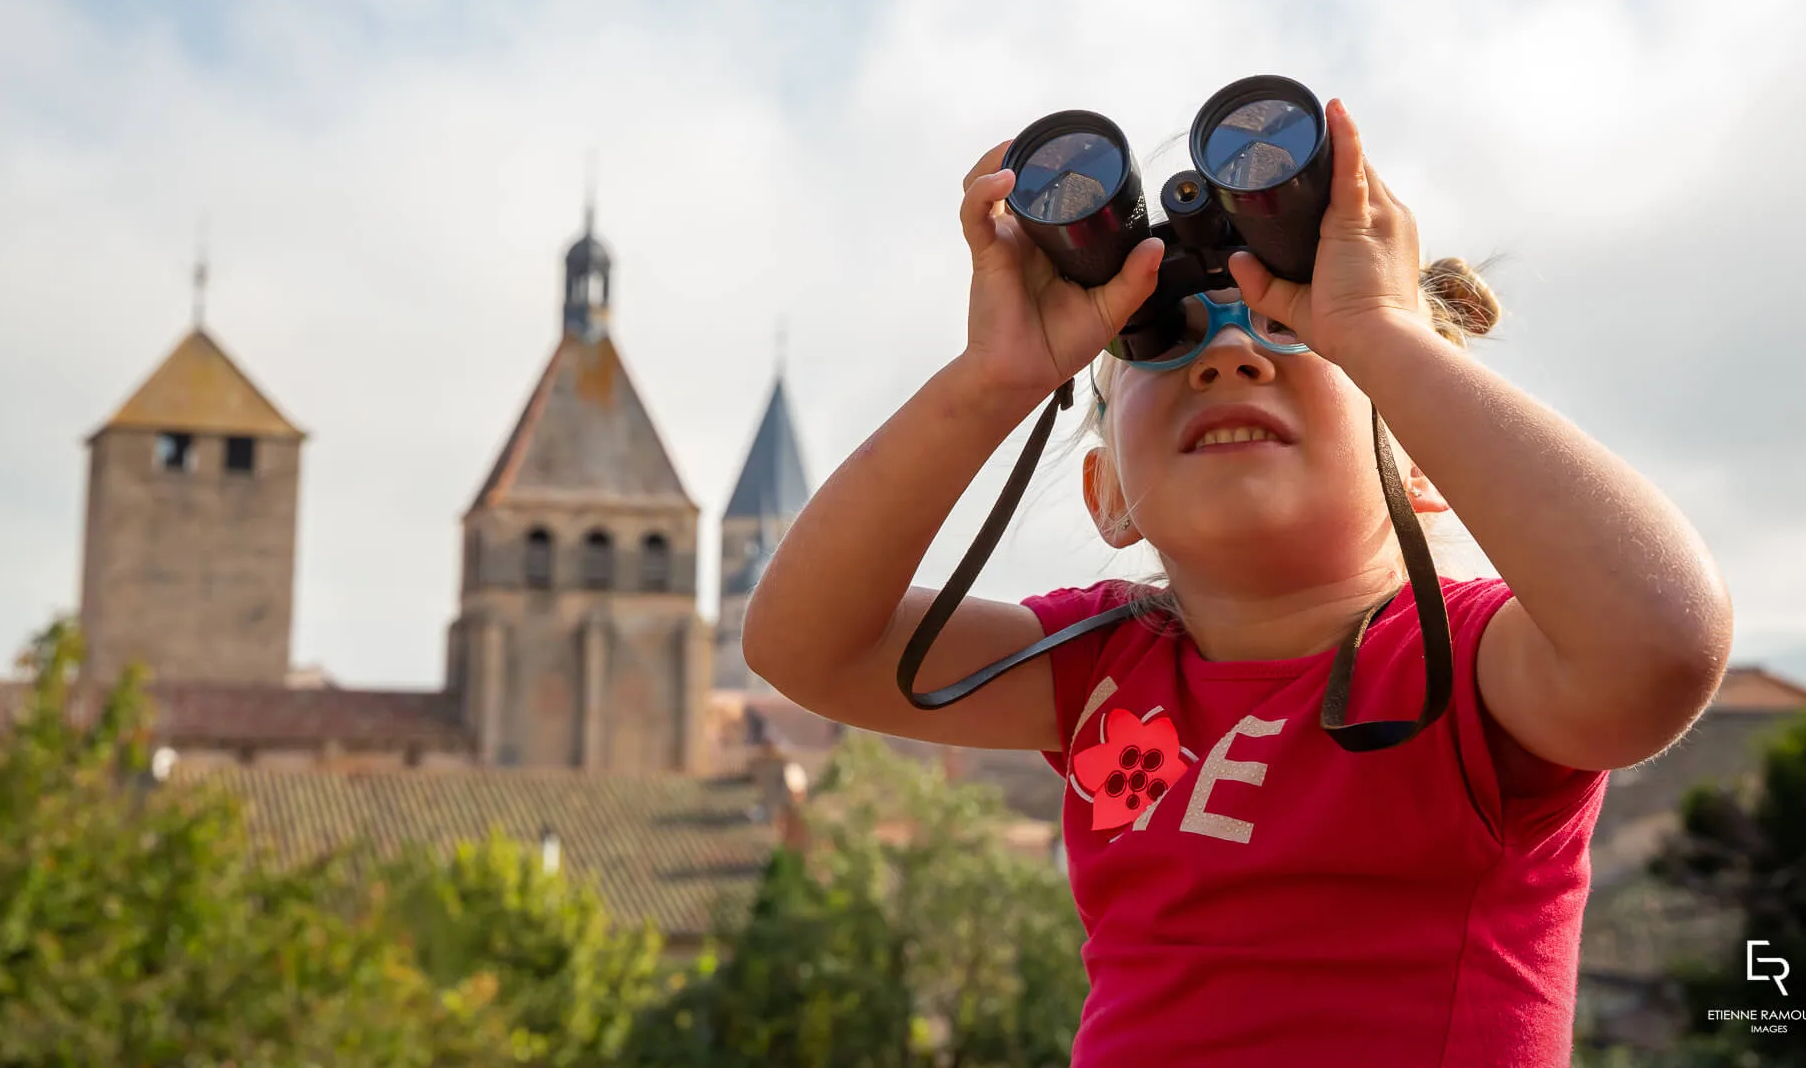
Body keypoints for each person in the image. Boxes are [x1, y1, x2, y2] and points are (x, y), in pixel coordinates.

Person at [742, 97, 1732, 1065]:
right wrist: (994, 376)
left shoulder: (1466, 667)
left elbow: (1661, 639)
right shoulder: (1102, 667)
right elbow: (804, 645)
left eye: (1284, 323)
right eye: (1162, 337)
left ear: (1425, 453)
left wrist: (1382, 330)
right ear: (1109, 496)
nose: (1224, 353)